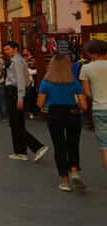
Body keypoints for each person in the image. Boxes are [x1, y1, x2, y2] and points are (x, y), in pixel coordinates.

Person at [37, 54, 88, 191]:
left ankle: (64, 181)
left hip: (54, 114)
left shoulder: (46, 82)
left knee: (59, 146)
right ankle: (75, 171)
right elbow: (84, 106)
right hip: (72, 113)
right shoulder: (74, 82)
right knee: (73, 144)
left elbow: (40, 103)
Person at [3, 41, 48, 162]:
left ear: (15, 49)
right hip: (15, 92)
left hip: (15, 93)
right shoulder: (19, 60)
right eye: (5, 49)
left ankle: (38, 147)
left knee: (15, 124)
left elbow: (21, 80)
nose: (5, 51)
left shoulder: (17, 61)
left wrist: (20, 97)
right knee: (17, 124)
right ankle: (20, 151)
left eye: (8, 49)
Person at [79, 39, 107, 172]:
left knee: (105, 145)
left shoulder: (86, 68)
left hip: (99, 108)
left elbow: (87, 92)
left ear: (91, 53)